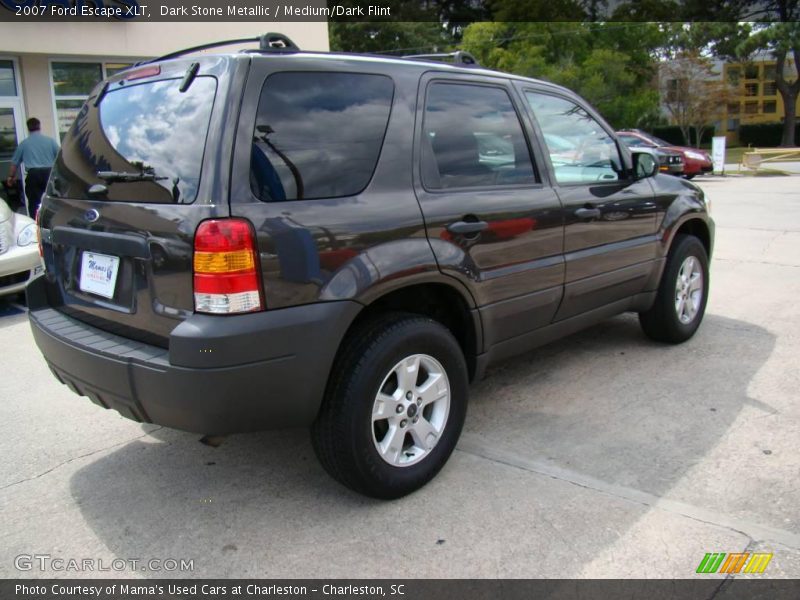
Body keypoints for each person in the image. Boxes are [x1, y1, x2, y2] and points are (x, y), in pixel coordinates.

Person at [5, 118, 59, 218]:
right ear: (39, 126)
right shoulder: (50, 141)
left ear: (28, 128)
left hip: (33, 175)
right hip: (49, 174)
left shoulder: (24, 144)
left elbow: (14, 163)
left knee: (34, 202)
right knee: (51, 200)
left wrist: (10, 177)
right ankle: (52, 222)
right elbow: (60, 157)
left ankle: (36, 225)